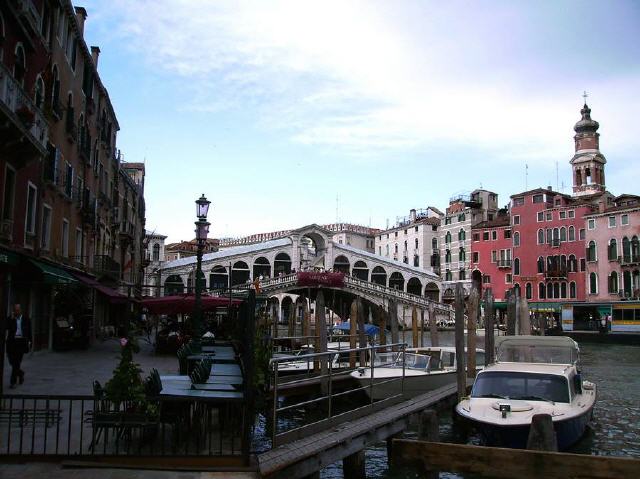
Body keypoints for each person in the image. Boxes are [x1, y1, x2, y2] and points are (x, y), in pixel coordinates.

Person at [5, 304, 32, 388]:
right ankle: (20, 373)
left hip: (21, 343)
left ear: (20, 310)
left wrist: (30, 343)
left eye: (17, 310)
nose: (16, 312)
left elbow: (29, 332)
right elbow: (6, 327)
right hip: (12, 343)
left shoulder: (26, 319)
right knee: (11, 362)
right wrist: (11, 318)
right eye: (15, 310)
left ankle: (12, 382)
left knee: (16, 363)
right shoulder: (10, 319)